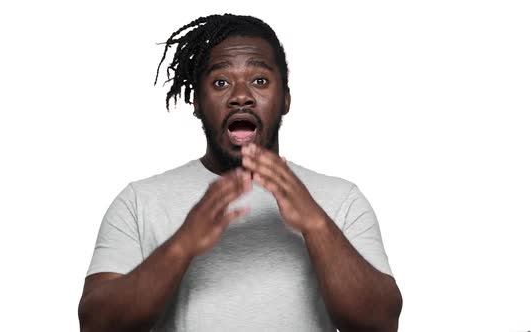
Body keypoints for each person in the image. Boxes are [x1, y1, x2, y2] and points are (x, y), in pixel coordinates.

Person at [78, 13, 402, 332]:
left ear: (285, 98)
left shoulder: (341, 199)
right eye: (220, 82)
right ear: (197, 102)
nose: (241, 96)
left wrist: (316, 225)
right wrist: (181, 245)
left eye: (259, 80)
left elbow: (380, 323)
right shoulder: (139, 201)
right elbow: (95, 324)